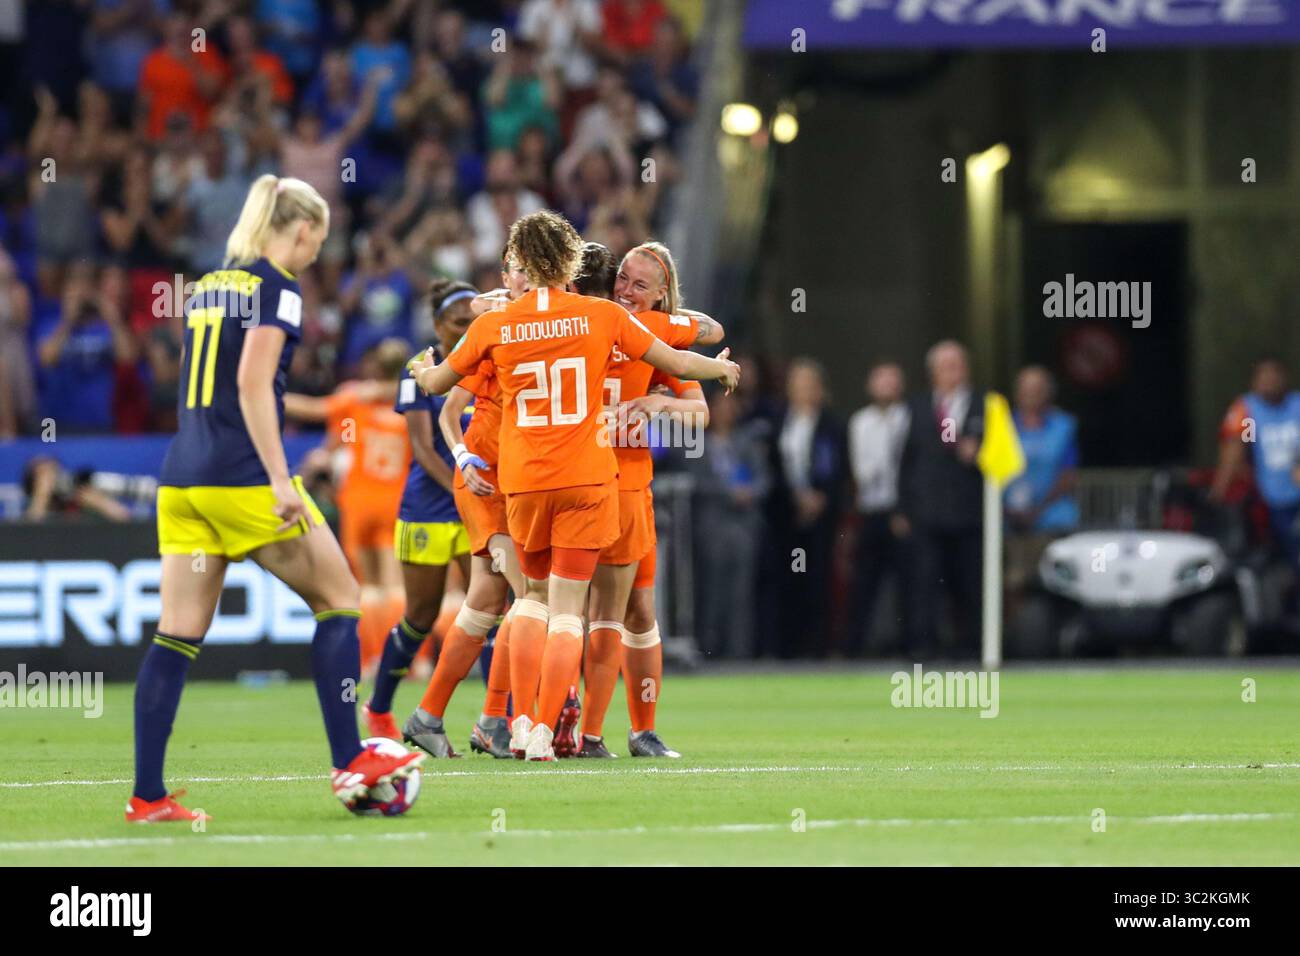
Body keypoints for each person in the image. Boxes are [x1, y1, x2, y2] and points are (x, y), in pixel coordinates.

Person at [129, 175, 422, 823]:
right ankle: (351, 760)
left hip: (183, 478)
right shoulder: (277, 289)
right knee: (341, 599)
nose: (317, 253)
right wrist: (281, 479)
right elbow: (254, 386)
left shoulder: (207, 288)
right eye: (317, 239)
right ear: (300, 229)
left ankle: (147, 796)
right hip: (241, 477)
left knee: (175, 636)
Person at [410, 210, 739, 761]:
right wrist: (717, 370)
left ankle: (511, 721)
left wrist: (423, 371)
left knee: (525, 602)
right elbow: (694, 342)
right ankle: (553, 729)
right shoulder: (602, 317)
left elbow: (441, 387)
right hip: (592, 478)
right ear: (571, 261)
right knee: (582, 613)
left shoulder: (496, 324)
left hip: (522, 482)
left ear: (521, 263)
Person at [581, 241, 720, 758]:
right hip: (586, 480)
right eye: (623, 280)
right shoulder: (592, 322)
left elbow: (697, 415)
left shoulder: (653, 341)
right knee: (589, 609)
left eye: (641, 285)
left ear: (662, 295)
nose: (627, 291)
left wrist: (657, 401)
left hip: (631, 484)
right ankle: (581, 729)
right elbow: (710, 331)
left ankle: (642, 731)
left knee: (639, 609)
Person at [400, 255, 532, 760]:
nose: (520, 279)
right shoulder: (492, 327)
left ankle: (428, 716)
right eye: (513, 270)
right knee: (532, 597)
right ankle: (501, 719)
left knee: (485, 603)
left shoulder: (546, 327)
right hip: (485, 484)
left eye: (529, 268)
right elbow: (449, 409)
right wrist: (462, 457)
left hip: (525, 482)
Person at [359, 280, 476, 745]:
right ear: (437, 326)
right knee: (421, 617)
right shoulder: (418, 370)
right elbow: (424, 449)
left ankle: (498, 721)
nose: (467, 330)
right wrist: (465, 487)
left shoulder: (487, 361)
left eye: (474, 322)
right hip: (429, 510)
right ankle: (380, 705)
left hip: (475, 509)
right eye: (458, 323)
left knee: (487, 609)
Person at [283, 339, 411, 676]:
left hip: (358, 501)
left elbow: (314, 409)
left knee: (366, 587)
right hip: (396, 500)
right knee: (395, 587)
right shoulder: (412, 400)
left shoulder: (354, 400)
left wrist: (265, 393)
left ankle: (370, 661)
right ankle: (405, 662)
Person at [896, 340, 987, 658]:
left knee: (969, 583)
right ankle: (923, 646)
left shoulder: (985, 404)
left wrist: (979, 455)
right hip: (927, 511)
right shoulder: (918, 406)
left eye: (958, 365)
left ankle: (972, 646)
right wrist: (903, 508)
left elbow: (1003, 455)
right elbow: (907, 459)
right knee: (924, 582)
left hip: (969, 511)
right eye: (946, 367)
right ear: (932, 373)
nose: (954, 372)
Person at [762, 358, 846, 658]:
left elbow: (838, 468)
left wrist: (820, 498)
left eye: (809, 385)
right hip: (786, 514)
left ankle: (818, 647)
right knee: (785, 579)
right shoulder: (779, 422)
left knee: (818, 578)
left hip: (821, 515)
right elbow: (772, 467)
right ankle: (786, 646)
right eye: (797, 385)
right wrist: (794, 497)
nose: (803, 391)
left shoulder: (832, 425)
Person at [845, 361, 910, 657]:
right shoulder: (860, 422)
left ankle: (907, 644)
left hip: (901, 512)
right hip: (871, 510)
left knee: (906, 582)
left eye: (892, 381)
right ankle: (855, 646)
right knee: (864, 582)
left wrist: (903, 509)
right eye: (881, 381)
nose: (886, 387)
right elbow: (862, 470)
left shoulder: (909, 419)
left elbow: (909, 470)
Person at [1212, 358, 1300, 572]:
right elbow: (1236, 449)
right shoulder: (1248, 411)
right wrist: (1218, 492)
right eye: (1264, 376)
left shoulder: (1296, 406)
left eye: (1274, 375)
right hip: (1269, 499)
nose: (1269, 381)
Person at [1004, 365, 1080, 600]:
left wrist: (1037, 510)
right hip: (1007, 520)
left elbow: (1068, 475)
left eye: (1037, 389)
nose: (1031, 395)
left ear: (1048, 393)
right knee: (1008, 582)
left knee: (1046, 582)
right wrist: (1007, 510)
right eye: (1026, 389)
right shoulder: (1002, 426)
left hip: (1051, 518)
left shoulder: (1063, 426)